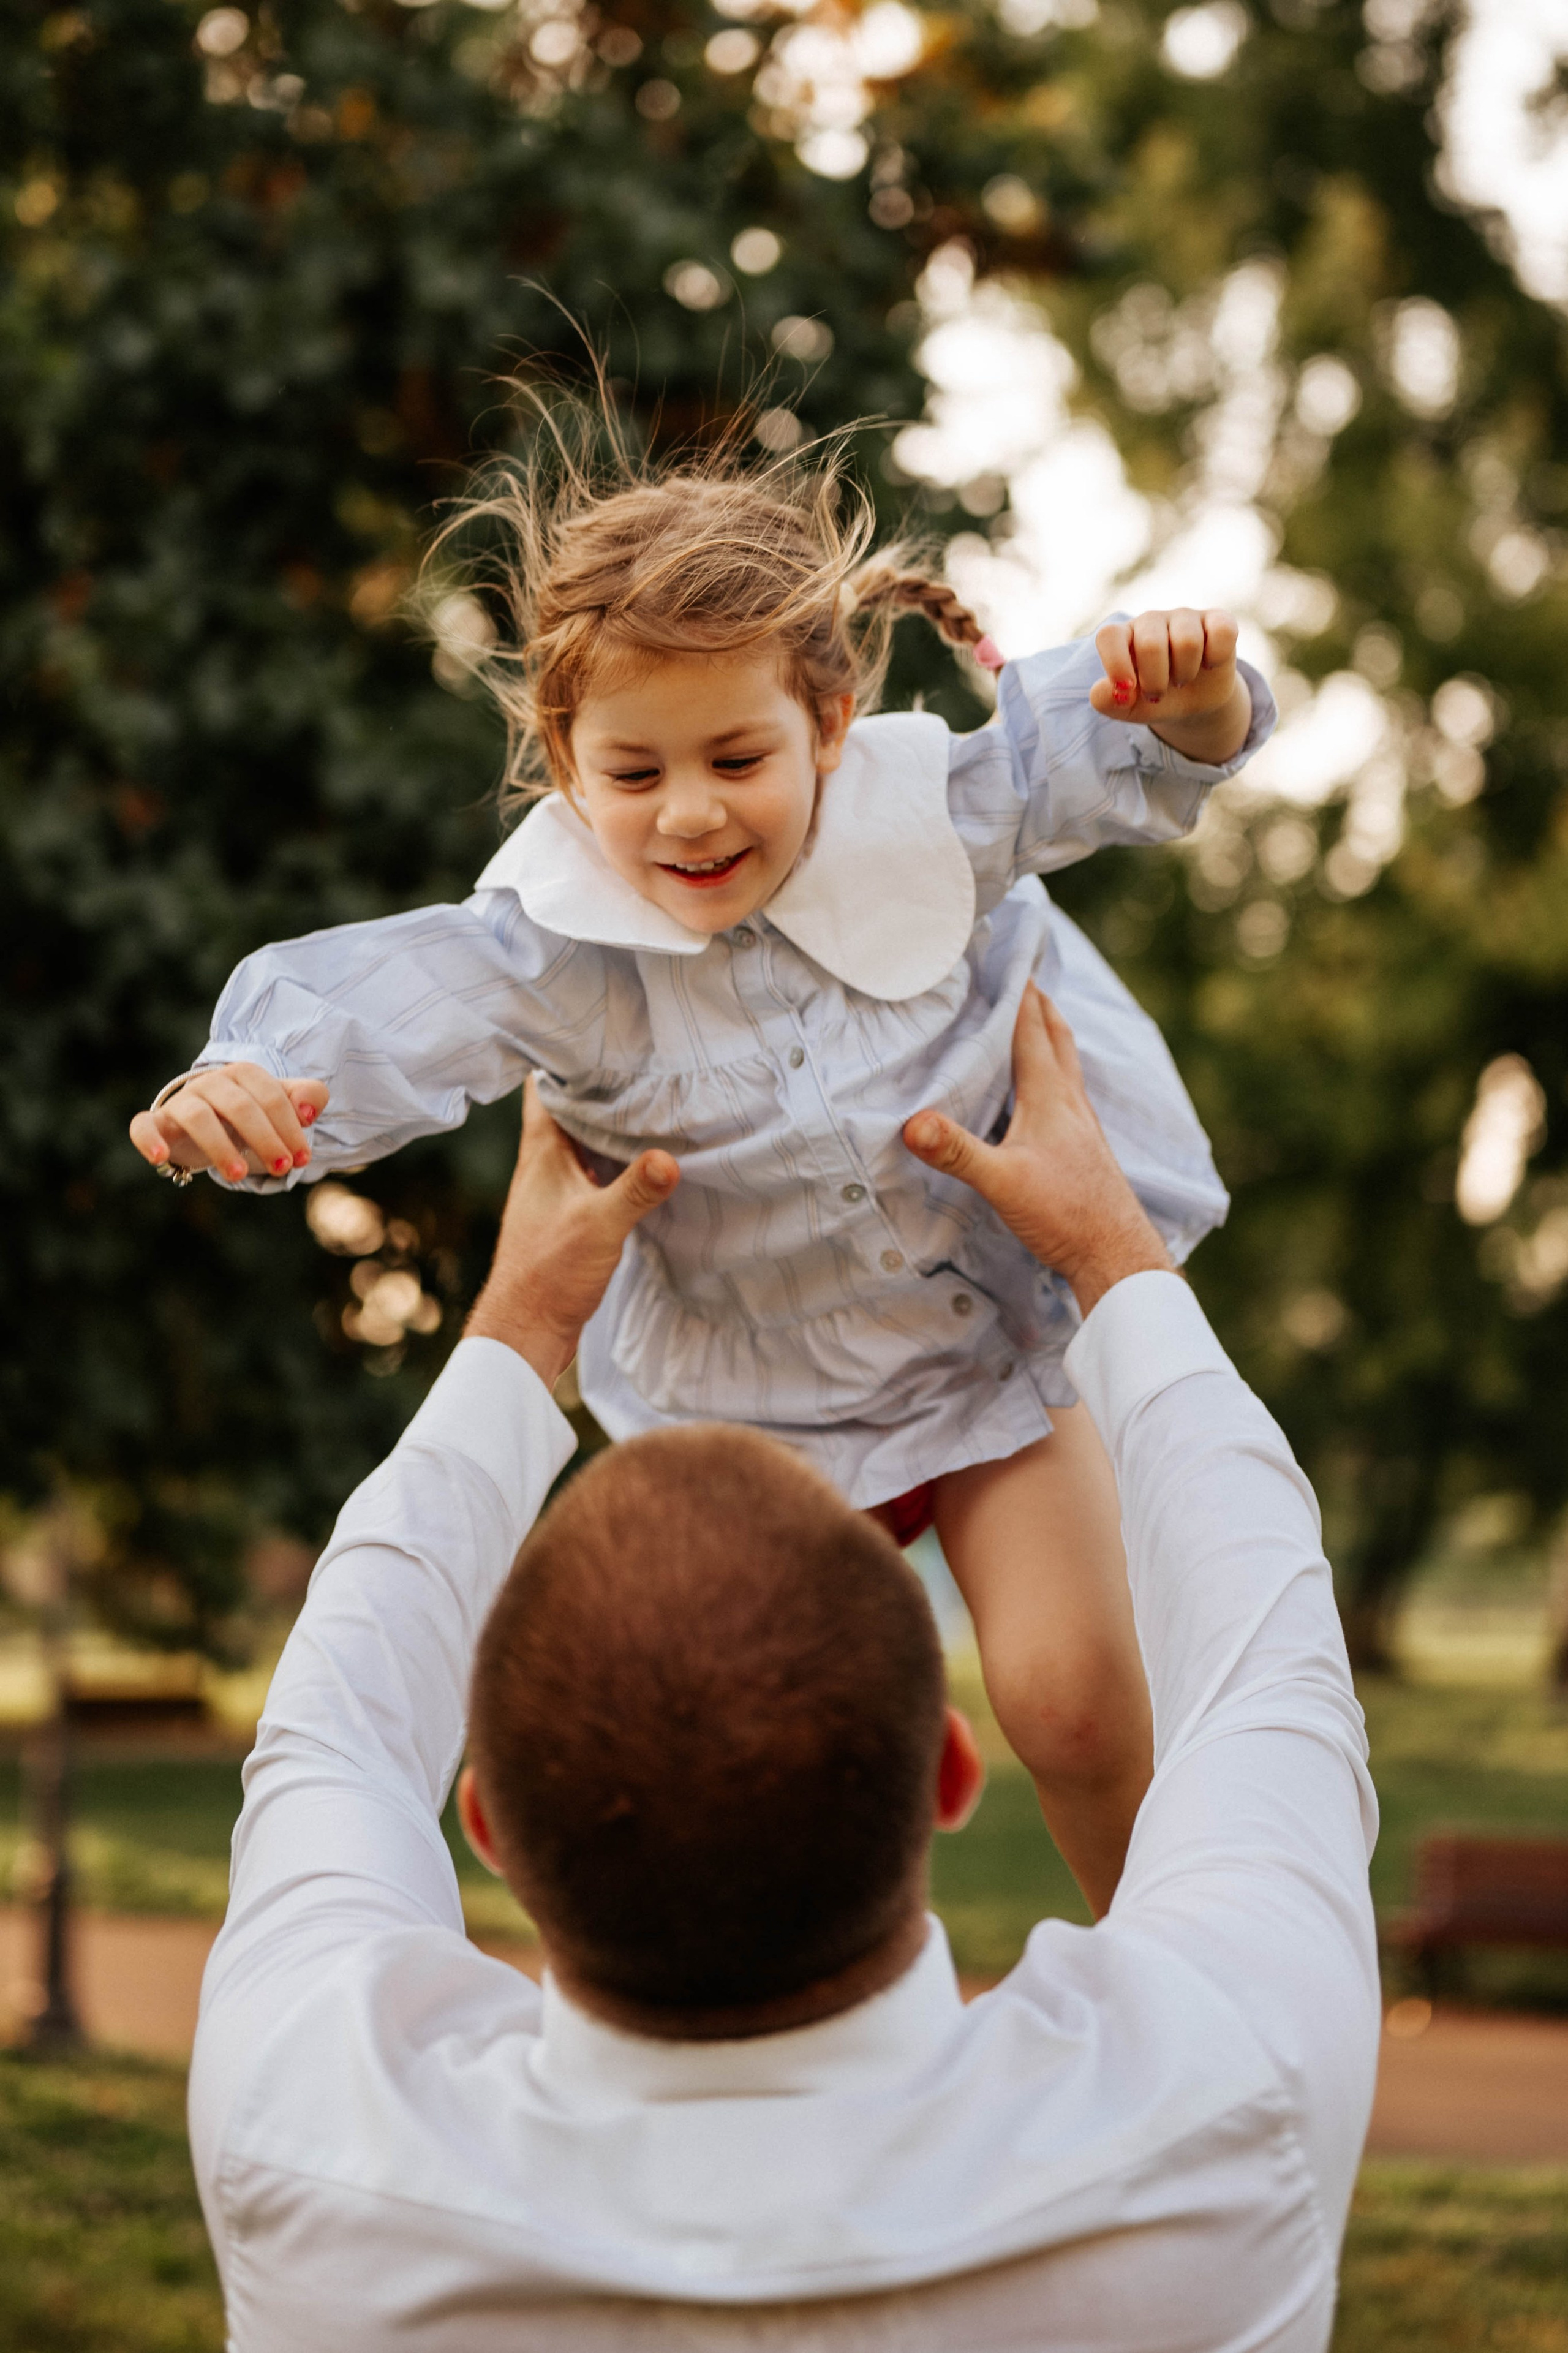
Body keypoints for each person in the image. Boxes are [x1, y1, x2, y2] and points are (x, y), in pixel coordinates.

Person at [131, 447, 1277, 1911]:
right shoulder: (553, 952)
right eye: (632, 771)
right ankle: (724, 2047)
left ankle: (1172, 2012)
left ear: (829, 726)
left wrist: (1193, 698)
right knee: (699, 1760)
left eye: (738, 760)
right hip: (741, 1418)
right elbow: (386, 1010)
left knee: (1068, 1698)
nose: (688, 814)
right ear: (564, 765)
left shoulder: (929, 828)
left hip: (980, 1367)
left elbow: (1099, 754)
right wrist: (245, 1080)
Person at [189, 985, 1380, 2352]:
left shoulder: (312, 2151)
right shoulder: (1223, 2108)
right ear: (948, 1769)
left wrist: (516, 1326)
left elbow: (334, 1728)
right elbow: (1266, 1661)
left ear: (489, 1825)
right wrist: (1113, 1251)